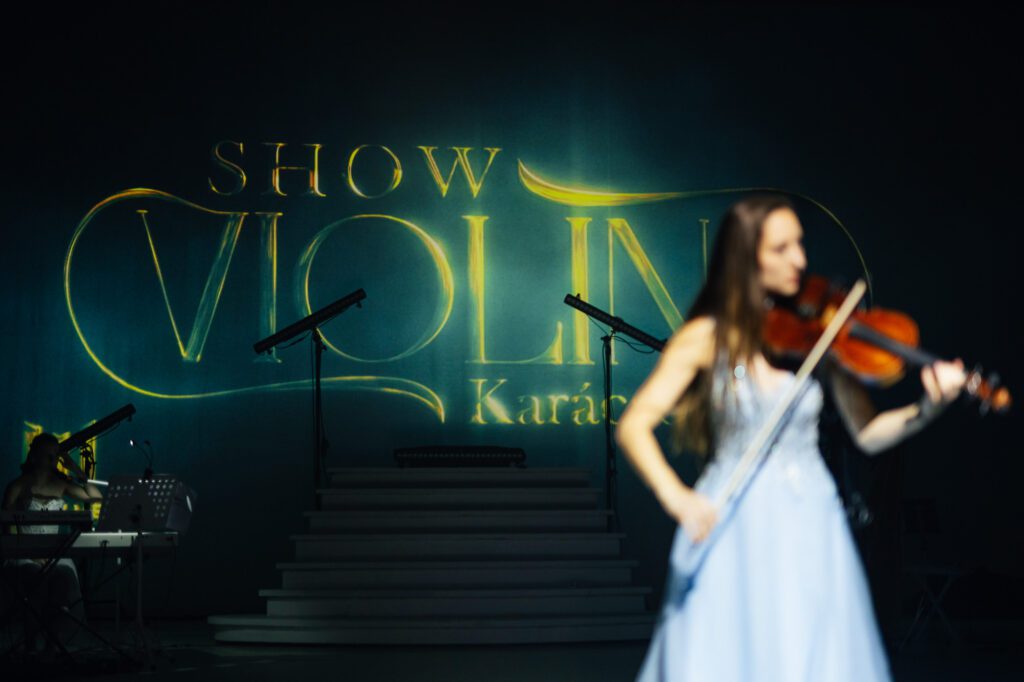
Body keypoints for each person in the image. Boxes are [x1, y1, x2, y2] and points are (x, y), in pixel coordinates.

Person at [615, 195, 966, 681]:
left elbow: (868, 434)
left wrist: (929, 408)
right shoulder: (707, 336)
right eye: (781, 248)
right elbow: (634, 424)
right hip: (735, 519)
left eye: (800, 244)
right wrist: (676, 498)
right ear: (746, 257)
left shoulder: (819, 335)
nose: (800, 259)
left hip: (810, 518)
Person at [2, 432, 103, 651]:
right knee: (33, 579)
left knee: (64, 579)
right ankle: (31, 643)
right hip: (23, 552)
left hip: (54, 553)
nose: (52, 459)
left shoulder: (62, 484)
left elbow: (96, 497)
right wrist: (30, 553)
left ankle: (53, 643)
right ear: (34, 456)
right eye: (48, 455)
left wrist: (76, 470)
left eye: (55, 455)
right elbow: (7, 528)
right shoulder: (17, 486)